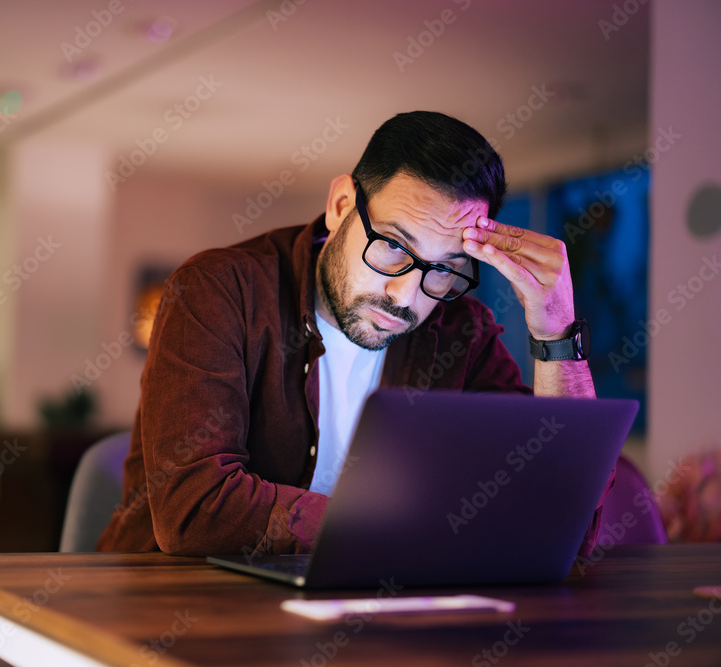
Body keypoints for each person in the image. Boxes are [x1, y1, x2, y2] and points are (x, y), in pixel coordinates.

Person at [97, 111, 603, 558]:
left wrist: (554, 329)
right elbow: (193, 508)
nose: (407, 296)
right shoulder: (221, 290)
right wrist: (405, 527)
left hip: (363, 613)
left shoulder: (460, 331)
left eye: (445, 269)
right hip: (168, 609)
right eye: (393, 246)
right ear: (342, 204)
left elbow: (565, 527)